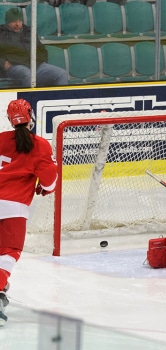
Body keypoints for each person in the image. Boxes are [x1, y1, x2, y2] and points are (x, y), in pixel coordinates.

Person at [0, 99, 58, 325]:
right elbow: (51, 181)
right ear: (31, 117)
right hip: (13, 207)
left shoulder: (1, 139)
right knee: (9, 251)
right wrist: (44, 187)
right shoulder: (40, 145)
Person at [0, 7, 68, 88]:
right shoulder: (1, 33)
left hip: (36, 66)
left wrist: (41, 61)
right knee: (26, 74)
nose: (17, 24)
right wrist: (2, 62)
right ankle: (29, 100)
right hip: (15, 66)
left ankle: (59, 100)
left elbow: (41, 49)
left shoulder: (29, 31)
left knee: (61, 74)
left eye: (19, 21)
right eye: (14, 21)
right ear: (8, 22)